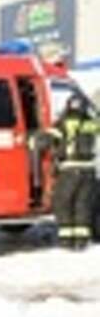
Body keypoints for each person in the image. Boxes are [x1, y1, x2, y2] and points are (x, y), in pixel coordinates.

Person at [44, 93, 100, 249]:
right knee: (83, 205)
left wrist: (33, 141)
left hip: (70, 169)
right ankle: (82, 241)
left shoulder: (64, 123)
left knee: (64, 203)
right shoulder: (92, 123)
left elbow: (48, 138)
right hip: (89, 170)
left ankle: (66, 241)